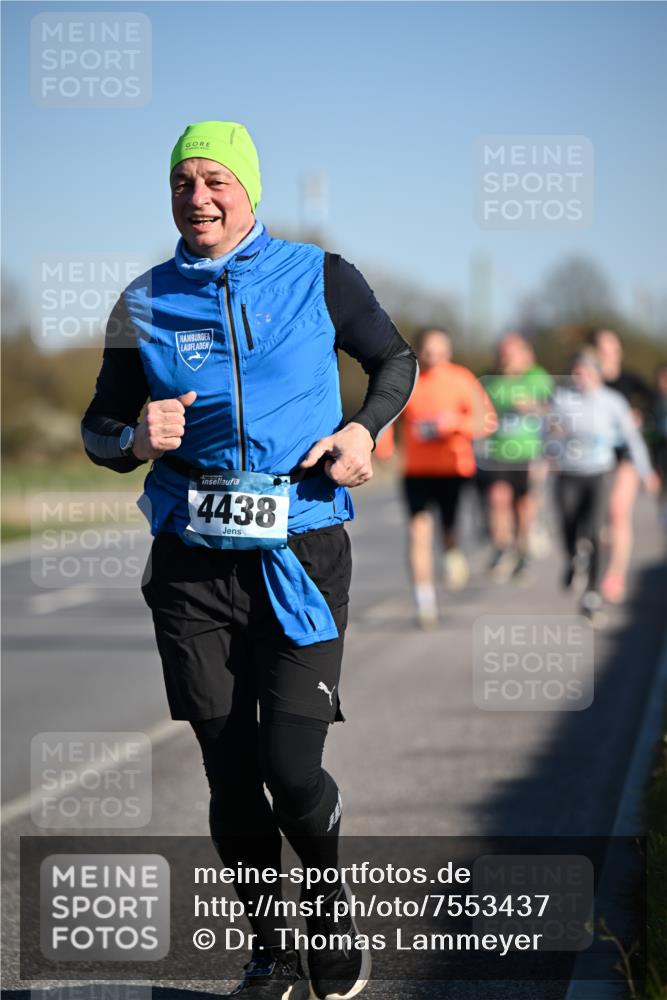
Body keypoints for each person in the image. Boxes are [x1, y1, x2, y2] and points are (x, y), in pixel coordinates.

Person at [81, 120, 417, 999]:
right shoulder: (143, 301)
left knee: (290, 770)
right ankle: (266, 950)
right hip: (192, 566)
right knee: (230, 775)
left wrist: (360, 428)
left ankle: (330, 904)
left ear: (248, 190)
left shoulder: (320, 275)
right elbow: (98, 428)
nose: (198, 197)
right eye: (182, 183)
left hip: (300, 548)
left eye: (215, 180)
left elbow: (393, 359)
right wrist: (131, 437)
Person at [391, 328, 494, 627]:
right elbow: (390, 417)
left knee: (448, 531)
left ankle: (453, 550)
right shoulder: (409, 380)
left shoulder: (462, 379)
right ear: (420, 351)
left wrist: (454, 424)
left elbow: (486, 421)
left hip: (454, 470)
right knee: (418, 532)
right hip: (416, 472)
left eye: (440, 350)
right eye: (428, 350)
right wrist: (380, 447)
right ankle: (425, 603)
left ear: (448, 351)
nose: (434, 356)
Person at [548, 349, 659, 624]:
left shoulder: (612, 401)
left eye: (585, 371)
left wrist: (646, 472)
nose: (579, 376)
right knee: (568, 523)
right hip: (568, 473)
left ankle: (593, 594)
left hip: (599, 472)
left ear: (597, 373)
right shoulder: (562, 399)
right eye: (575, 371)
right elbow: (544, 433)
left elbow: (632, 438)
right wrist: (551, 437)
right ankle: (574, 558)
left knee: (596, 529)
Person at [476, 332, 553, 583]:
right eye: (503, 353)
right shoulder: (490, 382)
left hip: (528, 453)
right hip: (498, 451)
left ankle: (523, 553)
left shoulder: (537, 377)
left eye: (511, 352)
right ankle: (501, 546)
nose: (506, 358)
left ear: (524, 354)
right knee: (498, 497)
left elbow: (553, 408)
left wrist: (532, 406)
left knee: (523, 505)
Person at [588, 329, 657, 603]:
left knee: (618, 513)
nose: (606, 356)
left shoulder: (630, 381)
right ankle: (600, 561)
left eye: (611, 350)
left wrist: (641, 416)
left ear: (619, 352)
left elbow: (655, 404)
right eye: (601, 350)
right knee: (600, 522)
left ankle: (616, 574)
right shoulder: (587, 382)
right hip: (594, 459)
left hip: (625, 457)